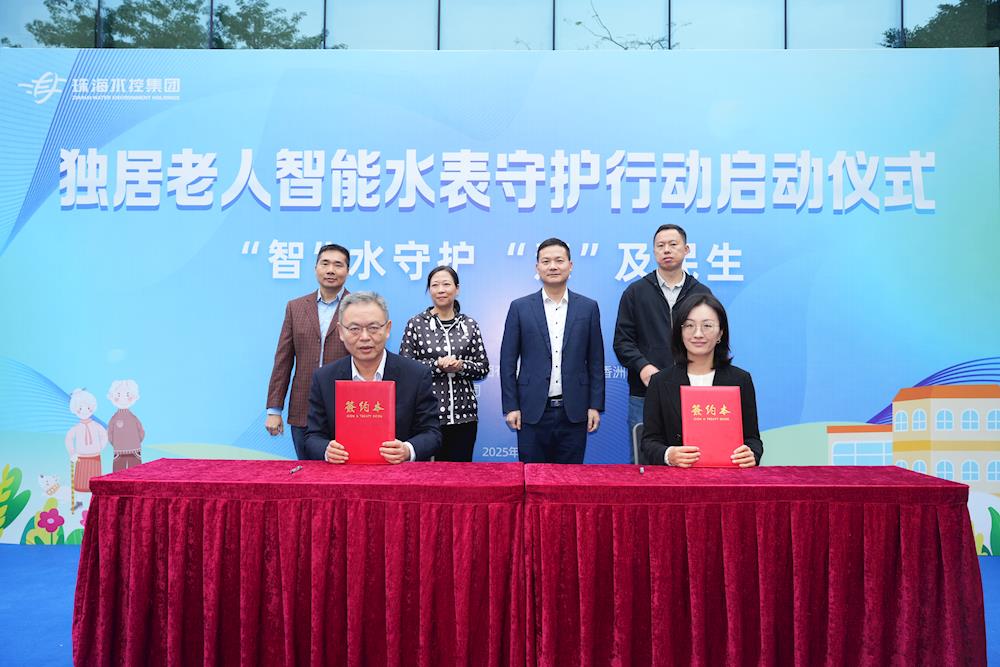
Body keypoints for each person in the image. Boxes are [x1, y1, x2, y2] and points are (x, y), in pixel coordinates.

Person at [500, 238, 604, 464]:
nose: (553, 266)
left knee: (569, 479)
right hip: (531, 411)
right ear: (537, 267)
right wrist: (511, 407)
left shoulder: (588, 307)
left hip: (574, 411)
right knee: (532, 477)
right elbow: (507, 361)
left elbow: (596, 361)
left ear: (570, 265)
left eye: (559, 260)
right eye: (546, 261)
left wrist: (595, 406)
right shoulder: (520, 307)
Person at [304, 291, 441, 464]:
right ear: (341, 332)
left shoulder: (416, 375)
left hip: (399, 475)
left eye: (373, 328)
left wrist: (407, 450)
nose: (364, 337)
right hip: (343, 475)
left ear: (387, 329)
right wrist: (326, 450)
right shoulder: (324, 378)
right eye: (354, 329)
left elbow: (432, 433)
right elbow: (312, 436)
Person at [613, 224, 712, 460]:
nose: (666, 250)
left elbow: (711, 339)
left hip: (692, 392)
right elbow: (622, 341)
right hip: (644, 393)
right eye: (660, 245)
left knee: (693, 459)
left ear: (686, 249)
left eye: (673, 244)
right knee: (645, 461)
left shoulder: (701, 293)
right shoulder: (636, 292)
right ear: (654, 251)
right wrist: (643, 366)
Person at [640, 293, 763, 467]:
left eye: (707, 326)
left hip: (728, 477)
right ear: (680, 332)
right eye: (689, 325)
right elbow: (649, 442)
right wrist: (669, 455)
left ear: (720, 333)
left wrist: (751, 454)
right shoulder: (660, 382)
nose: (698, 334)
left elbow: (752, 439)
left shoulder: (740, 380)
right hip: (677, 478)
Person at [265, 243, 351, 460]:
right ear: (315, 269)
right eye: (325, 263)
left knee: (346, 473)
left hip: (347, 409)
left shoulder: (359, 307)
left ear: (347, 271)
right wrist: (274, 409)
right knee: (307, 473)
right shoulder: (295, 307)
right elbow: (283, 360)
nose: (330, 270)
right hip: (303, 407)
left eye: (338, 265)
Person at [398, 266, 489, 462]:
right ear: (429, 290)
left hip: (464, 417)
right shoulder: (416, 324)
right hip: (426, 416)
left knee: (460, 473)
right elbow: (405, 368)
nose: (441, 290)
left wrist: (461, 366)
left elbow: (483, 367)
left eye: (446, 284)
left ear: (457, 289)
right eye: (435, 285)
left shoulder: (469, 325)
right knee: (428, 475)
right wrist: (437, 366)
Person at [107, 379, 144, 472]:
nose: (123, 399)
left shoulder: (132, 418)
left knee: (132, 473)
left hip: (128, 450)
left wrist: (116, 443)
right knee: (125, 474)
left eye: (127, 395)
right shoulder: (116, 418)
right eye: (118, 395)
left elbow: (110, 435)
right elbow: (141, 433)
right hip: (126, 450)